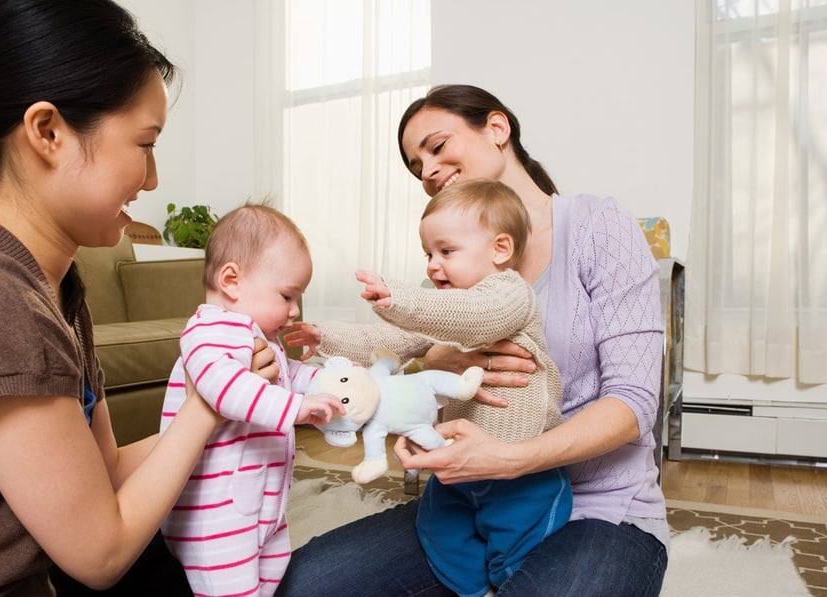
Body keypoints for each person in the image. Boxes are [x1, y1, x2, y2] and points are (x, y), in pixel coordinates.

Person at [0, 1, 277, 595]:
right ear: (47, 131)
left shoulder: (53, 284)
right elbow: (100, 553)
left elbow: (101, 473)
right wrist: (208, 404)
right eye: (145, 143)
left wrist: (239, 411)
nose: (153, 179)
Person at [278, 84, 668, 596]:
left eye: (436, 147)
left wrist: (510, 459)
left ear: (497, 129)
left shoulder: (600, 227)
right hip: (473, 499)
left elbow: (634, 402)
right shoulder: (451, 268)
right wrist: (421, 359)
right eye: (417, 166)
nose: (428, 171)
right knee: (305, 584)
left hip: (599, 506)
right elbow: (411, 354)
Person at [348, 178, 572, 596]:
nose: (432, 265)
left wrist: (398, 299)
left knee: (521, 553)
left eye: (446, 251)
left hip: (521, 476)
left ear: (500, 250)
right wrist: (319, 338)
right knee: (442, 538)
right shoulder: (442, 313)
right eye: (428, 253)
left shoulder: (509, 295)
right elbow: (388, 345)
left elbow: (473, 317)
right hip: (456, 470)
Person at [159, 203, 344, 597]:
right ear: (232, 280)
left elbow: (291, 377)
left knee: (271, 578)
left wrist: (334, 382)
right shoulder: (209, 331)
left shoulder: (261, 337)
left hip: (262, 502)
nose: (295, 311)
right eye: (287, 296)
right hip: (216, 515)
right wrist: (295, 409)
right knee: (231, 586)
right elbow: (224, 389)